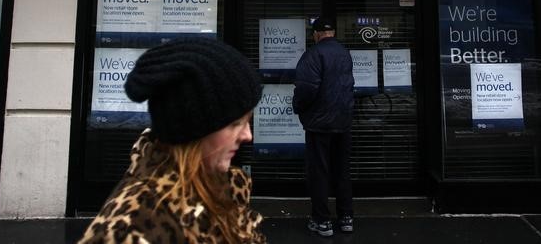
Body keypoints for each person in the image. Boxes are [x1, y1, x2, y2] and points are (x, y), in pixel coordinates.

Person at [77, 37, 267, 244]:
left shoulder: (224, 186)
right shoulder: (132, 228)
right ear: (194, 128)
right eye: (235, 124)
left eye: (248, 121)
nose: (248, 135)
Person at [292, 17, 355, 237]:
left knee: (319, 171)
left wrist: (298, 107)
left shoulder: (313, 54)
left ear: (317, 34)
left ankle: (322, 221)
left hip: (319, 124)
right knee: (342, 170)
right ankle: (346, 217)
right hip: (343, 121)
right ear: (334, 33)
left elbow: (306, 89)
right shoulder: (345, 54)